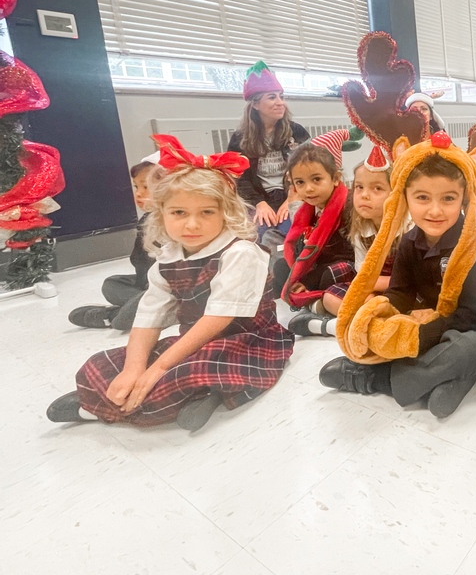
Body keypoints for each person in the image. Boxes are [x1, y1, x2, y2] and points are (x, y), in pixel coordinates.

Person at [46, 135, 294, 432]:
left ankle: (97, 407)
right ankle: (184, 395)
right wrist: (134, 368)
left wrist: (159, 367)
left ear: (225, 213)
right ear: (161, 215)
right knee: (108, 363)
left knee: (185, 370)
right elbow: (149, 315)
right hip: (192, 340)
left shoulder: (240, 252)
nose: (191, 224)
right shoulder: (168, 257)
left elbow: (218, 319)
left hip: (248, 341)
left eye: (206, 212)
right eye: (179, 213)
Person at [319, 132, 476, 419]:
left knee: (466, 348)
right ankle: (450, 380)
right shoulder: (409, 242)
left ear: (464, 200)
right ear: (405, 198)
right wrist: (380, 313)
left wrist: (420, 334)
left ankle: (378, 378)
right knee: (389, 327)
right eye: (422, 197)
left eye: (448, 198)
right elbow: (401, 292)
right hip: (426, 317)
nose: (435, 210)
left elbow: (475, 317)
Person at [289, 145, 408, 337]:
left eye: (377, 188)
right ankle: (367, 325)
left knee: (369, 302)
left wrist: (368, 285)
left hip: (405, 289)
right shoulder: (362, 227)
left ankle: (332, 326)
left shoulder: (407, 228)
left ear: (395, 193)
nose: (364, 195)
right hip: (375, 285)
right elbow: (362, 270)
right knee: (331, 297)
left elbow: (411, 280)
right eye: (359, 187)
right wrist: (365, 288)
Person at [67, 156, 158, 330]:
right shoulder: (147, 219)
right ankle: (145, 306)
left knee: (128, 317)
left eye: (146, 187)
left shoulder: (175, 222)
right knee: (112, 284)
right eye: (137, 187)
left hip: (170, 289)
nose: (138, 193)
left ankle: (113, 315)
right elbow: (140, 262)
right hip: (148, 284)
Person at [227, 61, 310, 241]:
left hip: (292, 194)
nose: (281, 103)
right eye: (272, 97)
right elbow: (240, 178)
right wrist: (259, 203)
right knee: (261, 235)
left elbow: (308, 169)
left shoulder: (297, 132)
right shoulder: (240, 139)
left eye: (281, 96)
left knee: (292, 234)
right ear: (255, 104)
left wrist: (291, 198)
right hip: (259, 198)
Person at [273, 137, 355, 310]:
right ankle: (311, 299)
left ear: (335, 178)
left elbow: (351, 254)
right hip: (318, 265)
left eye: (316, 179)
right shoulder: (308, 209)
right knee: (280, 267)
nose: (308, 188)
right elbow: (300, 249)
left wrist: (307, 278)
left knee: (331, 273)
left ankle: (310, 298)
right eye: (300, 182)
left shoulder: (349, 205)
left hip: (347, 264)